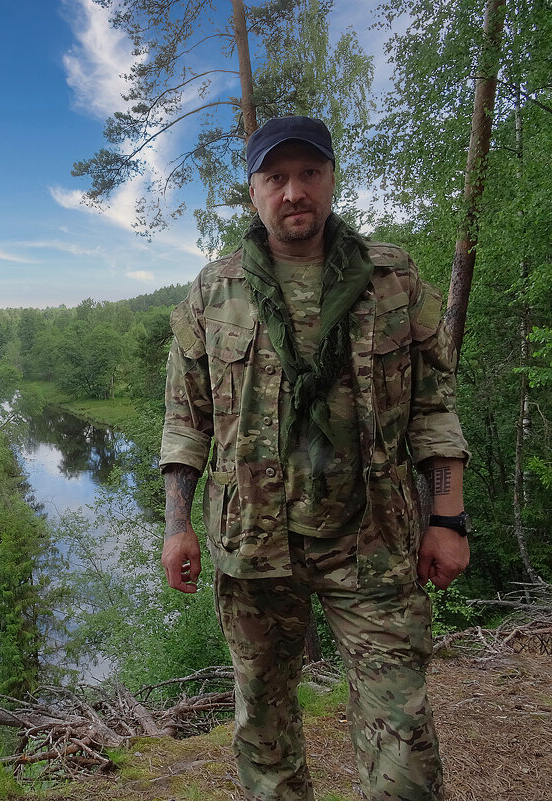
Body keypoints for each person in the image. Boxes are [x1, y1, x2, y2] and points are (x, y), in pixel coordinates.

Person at [158, 116, 471, 801]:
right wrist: (177, 523)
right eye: (276, 177)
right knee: (263, 729)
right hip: (254, 545)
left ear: (331, 179)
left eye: (308, 173)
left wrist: (449, 517)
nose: (293, 191)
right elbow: (186, 420)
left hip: (375, 541)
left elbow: (434, 406)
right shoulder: (214, 292)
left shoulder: (392, 278)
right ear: (252, 193)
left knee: (403, 733)